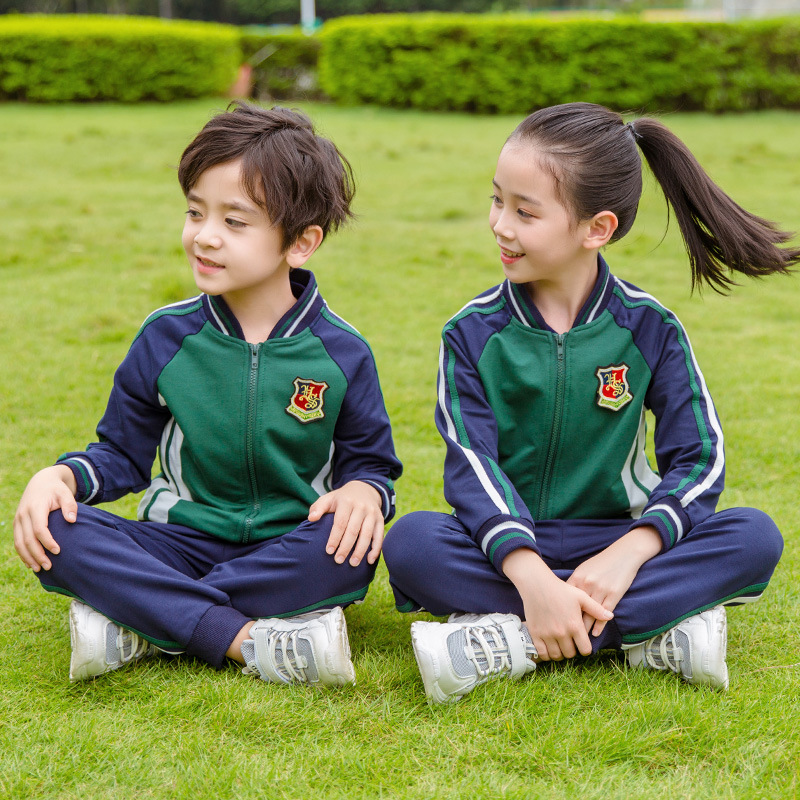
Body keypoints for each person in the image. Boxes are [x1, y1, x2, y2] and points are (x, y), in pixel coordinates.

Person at [383, 102, 797, 704]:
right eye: (498, 200)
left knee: (754, 535)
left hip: (619, 547)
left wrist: (632, 552)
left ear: (596, 228)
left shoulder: (651, 327)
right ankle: (648, 636)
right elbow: (471, 465)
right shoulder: (470, 333)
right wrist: (529, 573)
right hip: (508, 550)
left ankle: (511, 640)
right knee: (413, 543)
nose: (501, 224)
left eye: (526, 212)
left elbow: (700, 459)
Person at [13, 102, 402, 687]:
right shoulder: (165, 337)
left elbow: (371, 467)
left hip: (289, 549)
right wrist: (61, 478)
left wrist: (365, 495)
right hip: (175, 543)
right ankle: (248, 640)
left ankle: (142, 621)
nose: (205, 237)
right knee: (62, 531)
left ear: (300, 242)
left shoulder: (343, 352)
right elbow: (119, 455)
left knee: (346, 551)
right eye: (196, 213)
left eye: (235, 222)